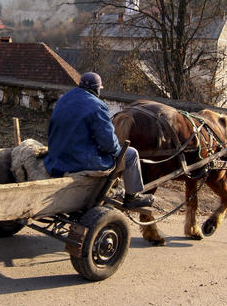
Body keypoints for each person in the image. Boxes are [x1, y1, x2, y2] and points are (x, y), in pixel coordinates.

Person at [44, 72, 154, 209]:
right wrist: (118, 151)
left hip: (55, 156)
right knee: (131, 154)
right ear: (97, 89)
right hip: (78, 161)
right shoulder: (97, 106)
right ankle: (132, 197)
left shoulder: (64, 99)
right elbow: (108, 143)